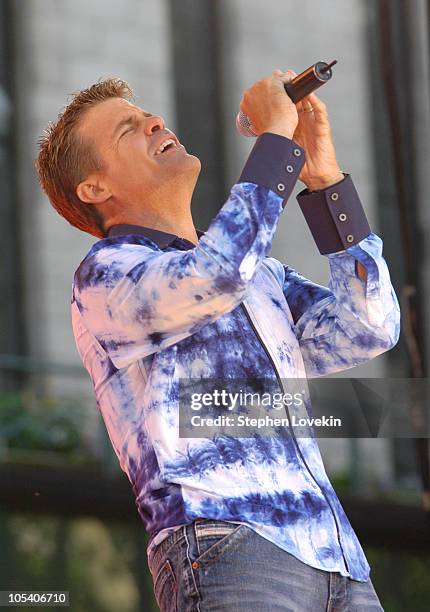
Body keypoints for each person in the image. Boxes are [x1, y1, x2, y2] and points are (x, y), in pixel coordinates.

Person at [35, 70, 400, 611]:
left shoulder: (259, 274)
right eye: (128, 130)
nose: (156, 121)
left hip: (336, 557)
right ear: (95, 188)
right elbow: (215, 275)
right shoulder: (106, 274)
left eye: (149, 116)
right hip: (224, 547)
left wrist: (325, 183)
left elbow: (367, 329)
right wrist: (275, 144)